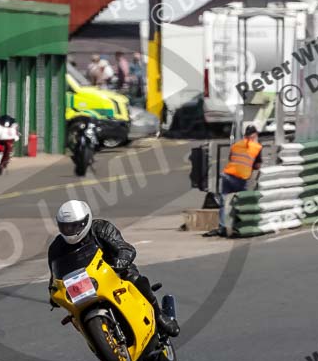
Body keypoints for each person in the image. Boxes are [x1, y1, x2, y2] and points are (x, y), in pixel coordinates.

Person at [48, 200, 180, 337]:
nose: (69, 231)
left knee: (134, 278)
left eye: (74, 226)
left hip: (113, 272)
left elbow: (123, 247)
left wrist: (121, 261)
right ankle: (97, 339)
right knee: (75, 317)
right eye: (65, 227)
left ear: (85, 221)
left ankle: (159, 317)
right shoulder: (56, 248)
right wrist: (53, 293)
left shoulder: (101, 228)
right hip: (82, 286)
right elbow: (54, 276)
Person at [204, 125, 262, 238]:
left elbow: (232, 159)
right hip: (241, 177)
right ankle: (239, 226)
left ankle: (222, 227)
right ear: (254, 135)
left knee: (224, 201)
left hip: (227, 175)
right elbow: (257, 165)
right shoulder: (257, 147)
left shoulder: (235, 145)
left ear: (245, 135)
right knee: (242, 202)